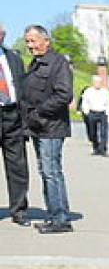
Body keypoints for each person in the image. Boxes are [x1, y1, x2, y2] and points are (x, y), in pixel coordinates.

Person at [20, 25, 74, 234]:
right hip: (38, 127)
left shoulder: (58, 62)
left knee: (51, 172)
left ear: (46, 41)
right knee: (47, 171)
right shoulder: (35, 64)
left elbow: (64, 94)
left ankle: (59, 218)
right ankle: (56, 215)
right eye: (27, 41)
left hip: (51, 126)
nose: (30, 46)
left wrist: (39, 113)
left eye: (33, 41)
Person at [0, 23, 30, 225]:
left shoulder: (13, 58)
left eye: (2, 34)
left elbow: (23, 87)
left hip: (12, 115)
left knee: (18, 165)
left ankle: (19, 209)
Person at [79, 69, 109, 157]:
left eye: (99, 82)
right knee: (92, 132)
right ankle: (96, 147)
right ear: (93, 83)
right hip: (92, 112)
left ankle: (103, 149)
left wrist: (108, 113)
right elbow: (85, 102)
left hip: (102, 113)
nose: (97, 84)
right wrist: (86, 112)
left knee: (103, 132)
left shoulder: (105, 92)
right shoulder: (88, 91)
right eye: (95, 82)